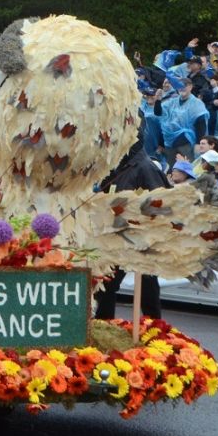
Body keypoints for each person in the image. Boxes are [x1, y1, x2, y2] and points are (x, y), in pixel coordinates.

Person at [94, 135, 167, 320]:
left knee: (147, 289)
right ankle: (105, 325)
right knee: (106, 284)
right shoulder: (115, 166)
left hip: (141, 237)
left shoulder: (146, 167)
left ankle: (155, 327)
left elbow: (162, 203)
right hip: (115, 236)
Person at [153, 78, 208, 165]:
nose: (181, 88)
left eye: (184, 86)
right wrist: (158, 100)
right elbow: (158, 112)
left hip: (186, 142)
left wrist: (198, 143)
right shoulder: (173, 101)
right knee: (172, 168)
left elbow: (201, 124)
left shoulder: (196, 103)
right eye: (179, 86)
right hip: (170, 142)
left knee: (188, 167)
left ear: (190, 87)